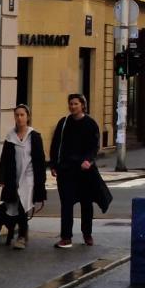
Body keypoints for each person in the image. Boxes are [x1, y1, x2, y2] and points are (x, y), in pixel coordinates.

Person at [49, 93, 110, 248]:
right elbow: (56, 144)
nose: (72, 106)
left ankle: (87, 234)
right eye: (70, 104)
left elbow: (94, 146)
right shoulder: (64, 123)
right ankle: (66, 237)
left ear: (83, 105)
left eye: (76, 104)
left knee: (86, 203)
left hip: (84, 170)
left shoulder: (90, 124)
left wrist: (88, 161)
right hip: (66, 170)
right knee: (66, 204)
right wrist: (54, 165)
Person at [0, 104, 47, 250]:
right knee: (12, 205)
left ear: (28, 117)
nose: (19, 118)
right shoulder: (10, 136)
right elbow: (4, 159)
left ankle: (22, 236)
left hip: (29, 176)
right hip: (14, 176)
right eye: (17, 115)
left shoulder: (34, 136)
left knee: (23, 204)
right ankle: (19, 232)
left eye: (22, 115)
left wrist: (40, 182)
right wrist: (2, 178)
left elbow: (40, 160)